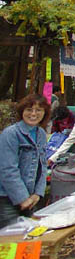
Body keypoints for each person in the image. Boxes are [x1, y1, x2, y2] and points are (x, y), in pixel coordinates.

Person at [0, 94, 50, 229]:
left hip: (31, 198)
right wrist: (22, 198)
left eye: (38, 110)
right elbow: (8, 169)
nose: (33, 114)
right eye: (29, 110)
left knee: (28, 240)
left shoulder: (40, 133)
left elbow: (42, 165)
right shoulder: (11, 134)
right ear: (22, 111)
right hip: (7, 198)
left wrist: (38, 194)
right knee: (9, 242)